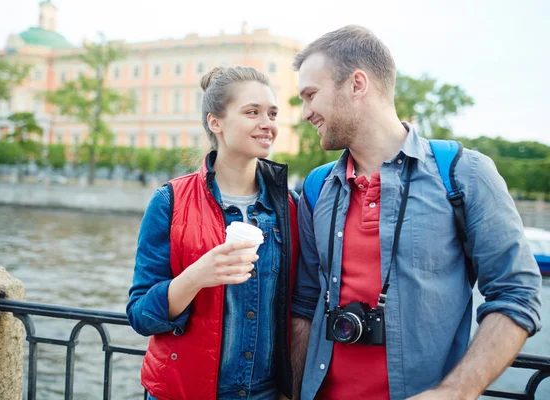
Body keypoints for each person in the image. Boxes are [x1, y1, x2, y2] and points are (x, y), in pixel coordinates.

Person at [289, 25, 542, 400]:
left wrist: (456, 391)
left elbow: (517, 293)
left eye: (311, 95)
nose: (306, 112)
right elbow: (304, 305)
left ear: (357, 84)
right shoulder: (315, 186)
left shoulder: (464, 174)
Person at [127, 66, 299, 400]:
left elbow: (297, 307)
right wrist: (196, 277)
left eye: (272, 113)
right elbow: (140, 315)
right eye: (252, 112)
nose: (268, 124)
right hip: (184, 392)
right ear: (214, 122)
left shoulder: (289, 206)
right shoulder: (171, 201)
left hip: (264, 393)